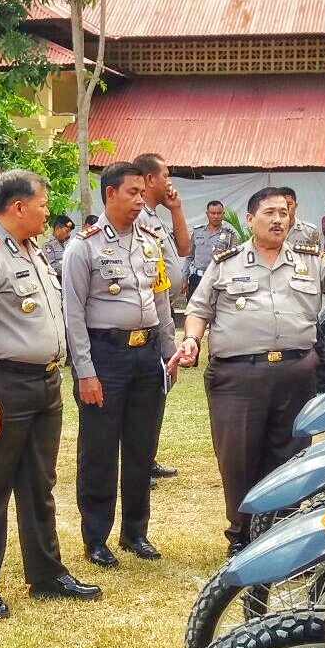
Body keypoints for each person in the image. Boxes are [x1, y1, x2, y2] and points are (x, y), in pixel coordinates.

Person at [172, 187, 325, 556]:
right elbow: (199, 309)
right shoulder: (226, 262)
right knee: (238, 457)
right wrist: (192, 340)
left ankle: (281, 533)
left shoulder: (309, 260)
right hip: (238, 377)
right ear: (250, 219)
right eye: (269, 213)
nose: (279, 219)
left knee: (291, 454)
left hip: (296, 373)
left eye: (283, 212)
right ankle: (242, 534)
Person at [0, 169, 101, 618]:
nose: (46, 210)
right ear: (17, 207)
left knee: (40, 485)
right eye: (42, 202)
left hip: (44, 383)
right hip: (3, 384)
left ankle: (46, 574)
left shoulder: (34, 251)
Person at [62, 162, 178, 568]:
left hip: (147, 355)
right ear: (110, 193)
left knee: (141, 447)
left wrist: (169, 352)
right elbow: (73, 314)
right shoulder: (84, 245)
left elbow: (161, 301)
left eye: (142, 194)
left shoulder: (150, 241)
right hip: (104, 355)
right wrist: (85, 372)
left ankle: (135, 531)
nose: (140, 200)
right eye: (132, 193)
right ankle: (96, 537)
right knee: (98, 450)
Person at [133, 152, 189, 482]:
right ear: (151, 179)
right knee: (149, 392)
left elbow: (182, 249)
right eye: (165, 174)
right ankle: (139, 462)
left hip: (164, 309)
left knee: (159, 389)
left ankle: (147, 457)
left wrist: (177, 209)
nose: (170, 181)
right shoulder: (139, 217)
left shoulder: (155, 216)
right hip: (150, 314)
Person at [184, 200, 237, 302]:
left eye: (219, 213)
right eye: (213, 213)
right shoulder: (197, 232)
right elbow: (190, 256)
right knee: (194, 311)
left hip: (217, 280)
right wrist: (184, 278)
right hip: (197, 279)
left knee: (216, 312)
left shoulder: (229, 235)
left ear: (223, 214)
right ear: (207, 214)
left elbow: (233, 261)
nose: (216, 216)